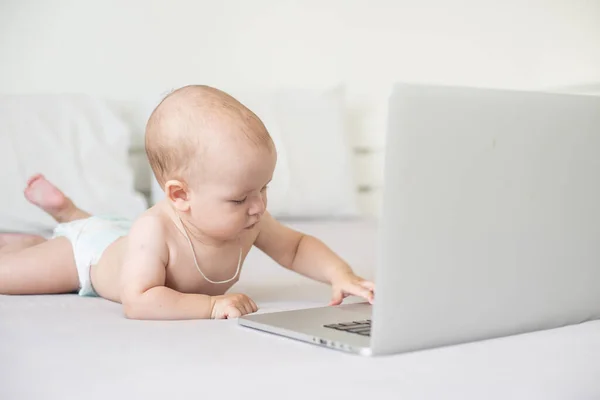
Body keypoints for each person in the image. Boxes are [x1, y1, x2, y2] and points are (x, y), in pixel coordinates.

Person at [0, 85, 375, 320]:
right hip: (91, 254)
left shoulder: (249, 218)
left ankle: (67, 214)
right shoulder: (154, 229)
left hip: (117, 236)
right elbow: (139, 299)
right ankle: (66, 223)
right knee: (10, 276)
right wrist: (209, 306)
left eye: (264, 188)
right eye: (239, 198)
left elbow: (295, 247)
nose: (258, 206)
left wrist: (341, 274)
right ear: (180, 196)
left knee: (102, 234)